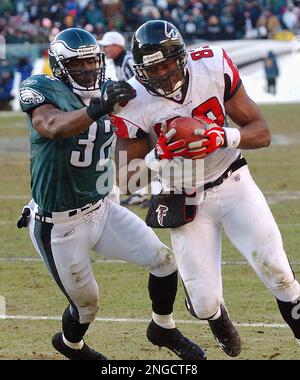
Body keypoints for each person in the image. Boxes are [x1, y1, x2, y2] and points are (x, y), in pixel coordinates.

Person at [111, 20, 300, 357]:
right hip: (184, 194)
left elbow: (262, 132)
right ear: (140, 70)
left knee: (279, 272)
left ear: (182, 57)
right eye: (153, 69)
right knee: (203, 301)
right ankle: (216, 316)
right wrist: (157, 156)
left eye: (168, 64)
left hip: (232, 179)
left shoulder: (212, 64)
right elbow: (126, 179)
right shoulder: (133, 101)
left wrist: (219, 135)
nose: (164, 75)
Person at [17, 27, 206, 361]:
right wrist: (98, 109)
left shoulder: (109, 90)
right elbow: (52, 126)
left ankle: (162, 327)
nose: (89, 69)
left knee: (163, 262)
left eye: (93, 61)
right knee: (87, 306)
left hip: (101, 207)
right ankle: (70, 344)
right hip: (59, 224)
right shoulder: (41, 89)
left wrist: (160, 160)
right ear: (60, 66)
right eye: (79, 64)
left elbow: (132, 137)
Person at [99, 30, 153, 207]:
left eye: (107, 46)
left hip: (144, 114)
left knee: (154, 153)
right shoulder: (120, 61)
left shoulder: (129, 60)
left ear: (117, 46)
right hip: (137, 114)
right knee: (138, 156)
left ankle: (155, 193)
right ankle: (141, 193)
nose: (105, 49)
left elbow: (141, 86)